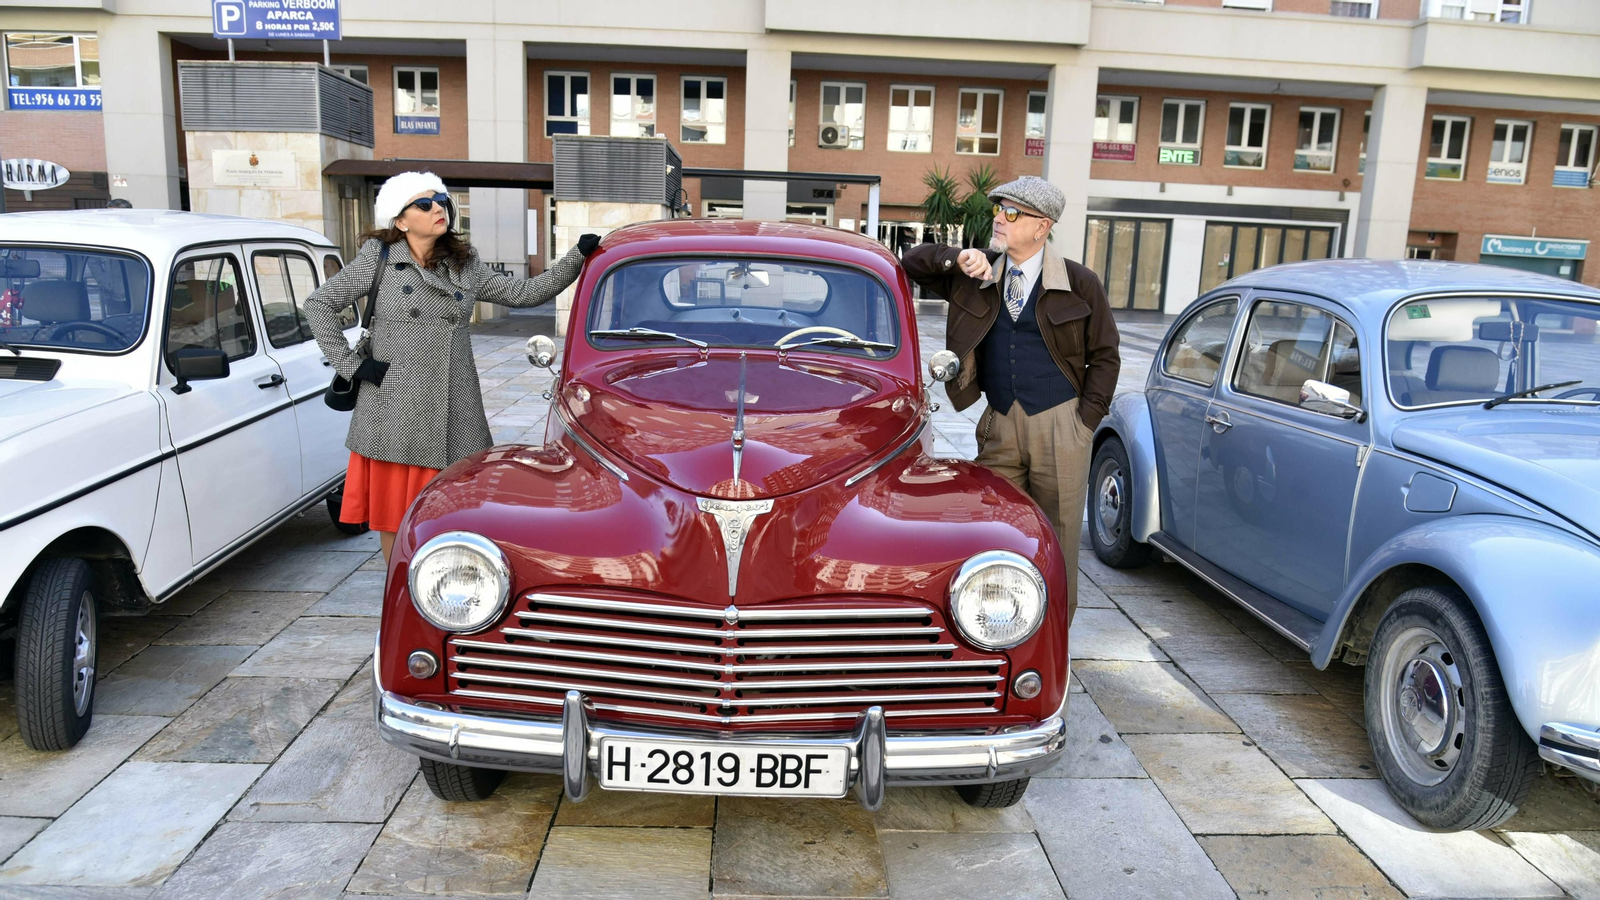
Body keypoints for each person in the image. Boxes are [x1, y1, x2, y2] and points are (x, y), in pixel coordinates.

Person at [304, 170, 600, 562]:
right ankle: (401, 591)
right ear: (400, 219)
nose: (437, 209)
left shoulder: (465, 263)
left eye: (441, 201)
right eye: (424, 204)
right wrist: (351, 365)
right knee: (396, 517)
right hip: (394, 402)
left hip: (453, 400)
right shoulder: (378, 259)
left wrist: (576, 257)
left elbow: (524, 293)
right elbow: (318, 304)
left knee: (457, 507)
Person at [902, 175, 1121, 624]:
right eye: (999, 209)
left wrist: (1085, 423)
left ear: (1042, 226)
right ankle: (1002, 627)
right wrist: (955, 258)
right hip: (999, 421)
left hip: (1062, 425)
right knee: (997, 532)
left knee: (1057, 537)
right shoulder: (976, 273)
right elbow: (909, 263)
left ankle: (1057, 633)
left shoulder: (1080, 282)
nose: (999, 218)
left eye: (1012, 212)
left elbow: (1106, 356)